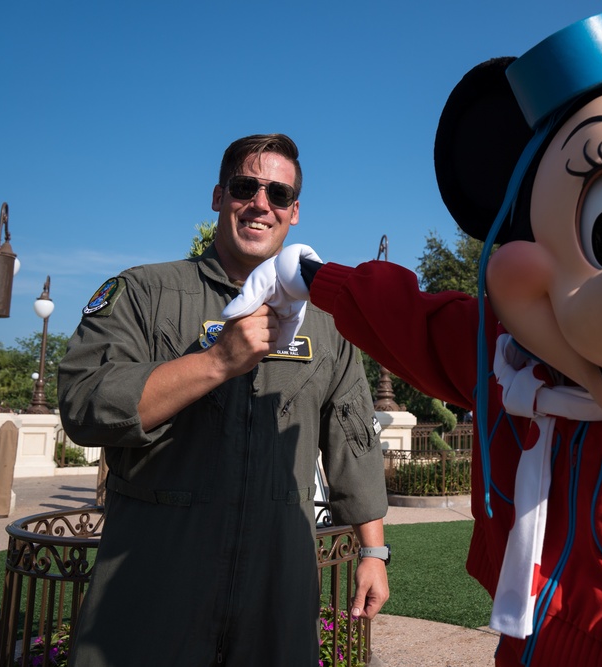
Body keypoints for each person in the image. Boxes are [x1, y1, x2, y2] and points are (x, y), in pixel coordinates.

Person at [57, 133, 390, 667]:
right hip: (154, 578)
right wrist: (216, 361)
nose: (261, 204)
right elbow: (84, 404)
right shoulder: (145, 293)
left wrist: (373, 551)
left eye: (278, 195)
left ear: (294, 212)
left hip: (277, 586)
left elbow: (351, 437)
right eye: (245, 187)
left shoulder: (326, 324)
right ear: (218, 197)